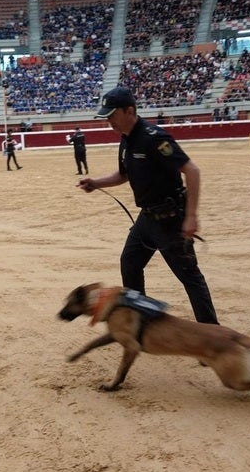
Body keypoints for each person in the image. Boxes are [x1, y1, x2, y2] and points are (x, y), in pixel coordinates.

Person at [77, 87, 218, 324]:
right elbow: (123, 175)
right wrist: (95, 183)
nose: (109, 121)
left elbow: (192, 170)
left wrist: (191, 216)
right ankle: (140, 321)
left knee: (190, 278)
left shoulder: (155, 138)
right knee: (130, 263)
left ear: (129, 111)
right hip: (147, 219)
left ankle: (213, 336)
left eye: (112, 115)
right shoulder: (126, 140)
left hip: (171, 219)